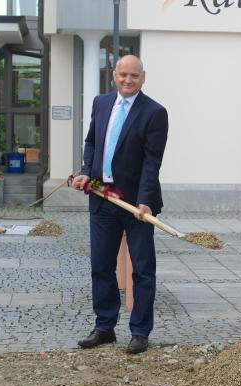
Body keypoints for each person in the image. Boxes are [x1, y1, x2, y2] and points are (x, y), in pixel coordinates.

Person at [72, 55, 168, 354]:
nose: (128, 80)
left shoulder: (155, 112)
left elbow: (152, 162)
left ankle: (140, 331)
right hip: (102, 198)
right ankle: (104, 327)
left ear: (143, 77)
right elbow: (91, 142)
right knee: (101, 265)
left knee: (142, 269)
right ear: (114, 75)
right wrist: (86, 171)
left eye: (134, 76)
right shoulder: (101, 103)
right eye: (123, 74)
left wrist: (145, 200)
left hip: (137, 205)